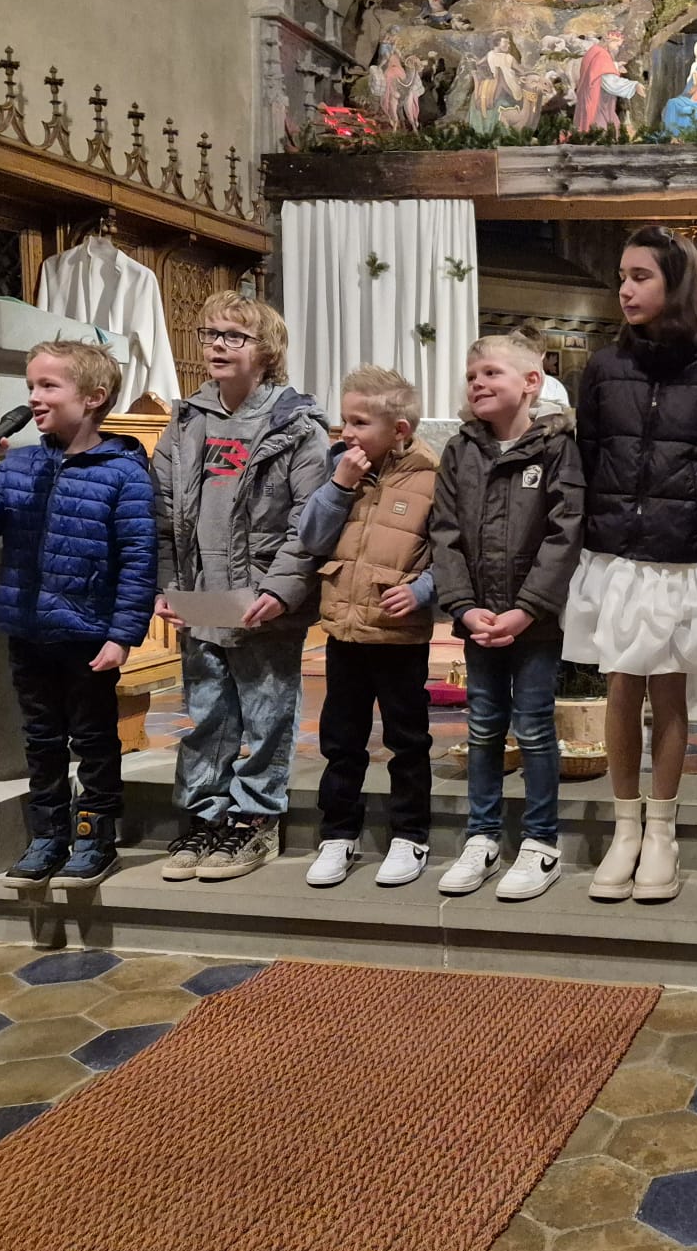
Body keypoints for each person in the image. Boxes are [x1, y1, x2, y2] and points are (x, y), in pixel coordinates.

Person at [568, 226, 697, 903]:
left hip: (684, 557)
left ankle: (663, 834)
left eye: (640, 276)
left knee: (670, 691)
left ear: (675, 284)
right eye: (622, 275)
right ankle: (625, 830)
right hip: (618, 552)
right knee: (621, 687)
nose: (625, 288)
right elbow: (587, 460)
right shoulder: (602, 368)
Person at [0, 339, 156, 890]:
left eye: (48, 386)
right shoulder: (19, 462)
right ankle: (47, 834)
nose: (34, 398)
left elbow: (138, 560)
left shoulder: (123, 472)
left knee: (93, 738)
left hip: (88, 633)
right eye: (31, 387)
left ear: (93, 397)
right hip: (29, 627)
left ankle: (95, 835)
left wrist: (123, 634)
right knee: (41, 739)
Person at [152, 292, 330, 883]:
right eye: (210, 334)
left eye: (235, 336)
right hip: (201, 592)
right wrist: (167, 586)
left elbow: (311, 521)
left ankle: (256, 819)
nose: (217, 345)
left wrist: (280, 590)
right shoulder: (187, 421)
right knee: (207, 712)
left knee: (267, 713)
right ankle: (205, 815)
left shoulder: (295, 426)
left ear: (266, 349)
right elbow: (162, 513)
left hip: (261, 597)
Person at [429, 335, 585, 901]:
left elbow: (566, 532)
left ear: (531, 383)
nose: (478, 382)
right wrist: (464, 607)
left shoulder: (558, 448)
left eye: (492, 372)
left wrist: (526, 609)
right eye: (472, 374)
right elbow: (443, 533)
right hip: (479, 619)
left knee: (536, 726)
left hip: (533, 621)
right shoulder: (460, 450)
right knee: (482, 726)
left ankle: (542, 842)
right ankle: (483, 836)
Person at [293, 366, 442, 890]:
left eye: (360, 422)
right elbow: (312, 538)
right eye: (344, 420)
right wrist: (339, 485)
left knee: (407, 738)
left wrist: (422, 591)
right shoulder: (339, 469)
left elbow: (450, 552)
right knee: (341, 738)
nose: (346, 432)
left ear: (398, 430)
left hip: (398, 633)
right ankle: (338, 833)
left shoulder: (431, 475)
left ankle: (410, 835)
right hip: (344, 629)